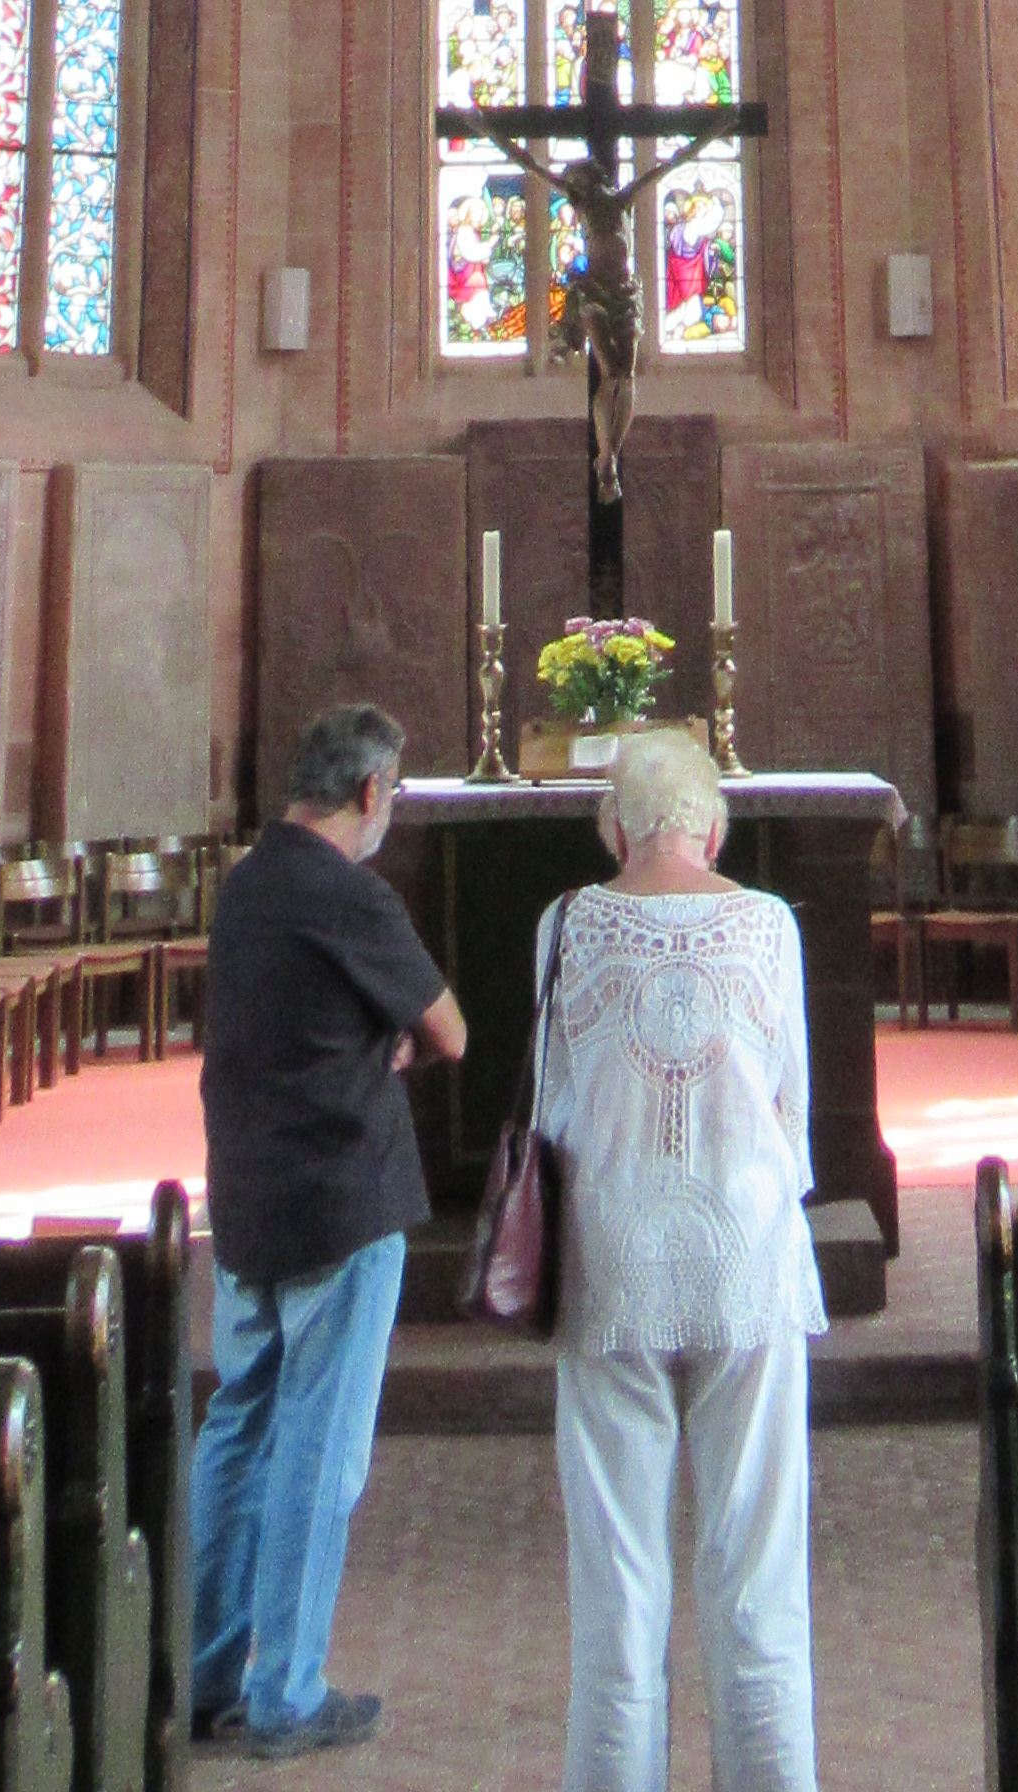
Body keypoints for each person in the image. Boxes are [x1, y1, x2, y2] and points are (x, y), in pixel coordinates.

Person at [530, 726, 824, 1792]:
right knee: (758, 1572)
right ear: (714, 828)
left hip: (610, 1259)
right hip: (748, 1254)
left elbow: (550, 1104)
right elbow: (794, 1108)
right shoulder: (769, 924)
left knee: (616, 1580)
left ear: (614, 827)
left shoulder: (567, 923)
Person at [190, 697, 468, 1757]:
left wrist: (368, 1035)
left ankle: (207, 1674)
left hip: (247, 1194)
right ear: (369, 789)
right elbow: (450, 1028)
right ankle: (286, 1695)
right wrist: (399, 1040)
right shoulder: (349, 892)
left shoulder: (249, 880)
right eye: (392, 790)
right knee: (320, 1448)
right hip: (339, 1198)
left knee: (238, 1429)